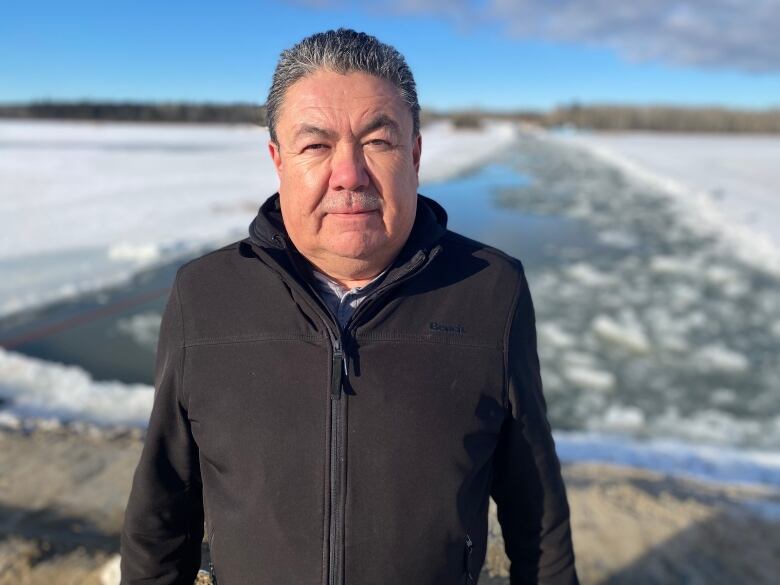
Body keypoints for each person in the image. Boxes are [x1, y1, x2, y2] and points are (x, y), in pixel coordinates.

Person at [120, 28, 578, 585]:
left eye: (378, 142)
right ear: (278, 159)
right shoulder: (205, 294)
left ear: (414, 154)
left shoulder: (489, 290)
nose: (349, 175)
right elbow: (162, 508)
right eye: (315, 145)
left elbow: (536, 509)